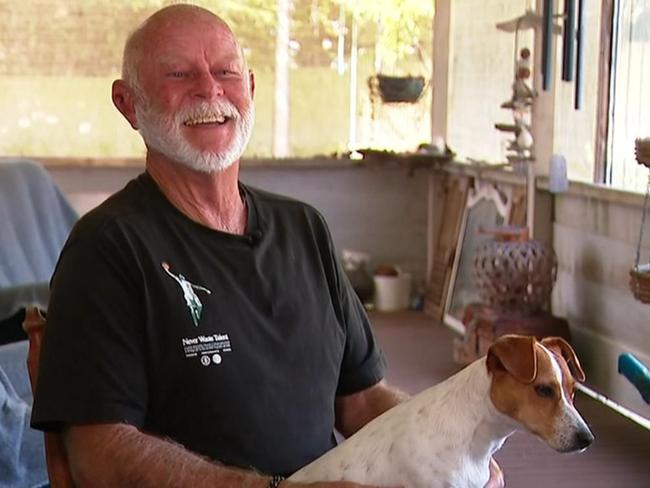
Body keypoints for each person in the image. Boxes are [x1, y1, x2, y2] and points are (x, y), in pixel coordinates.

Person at [31, 4, 503, 488]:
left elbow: (362, 400)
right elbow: (99, 455)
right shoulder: (107, 250)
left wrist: (458, 449)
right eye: (178, 73)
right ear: (128, 102)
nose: (209, 89)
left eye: (226, 72)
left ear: (250, 89)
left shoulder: (304, 229)